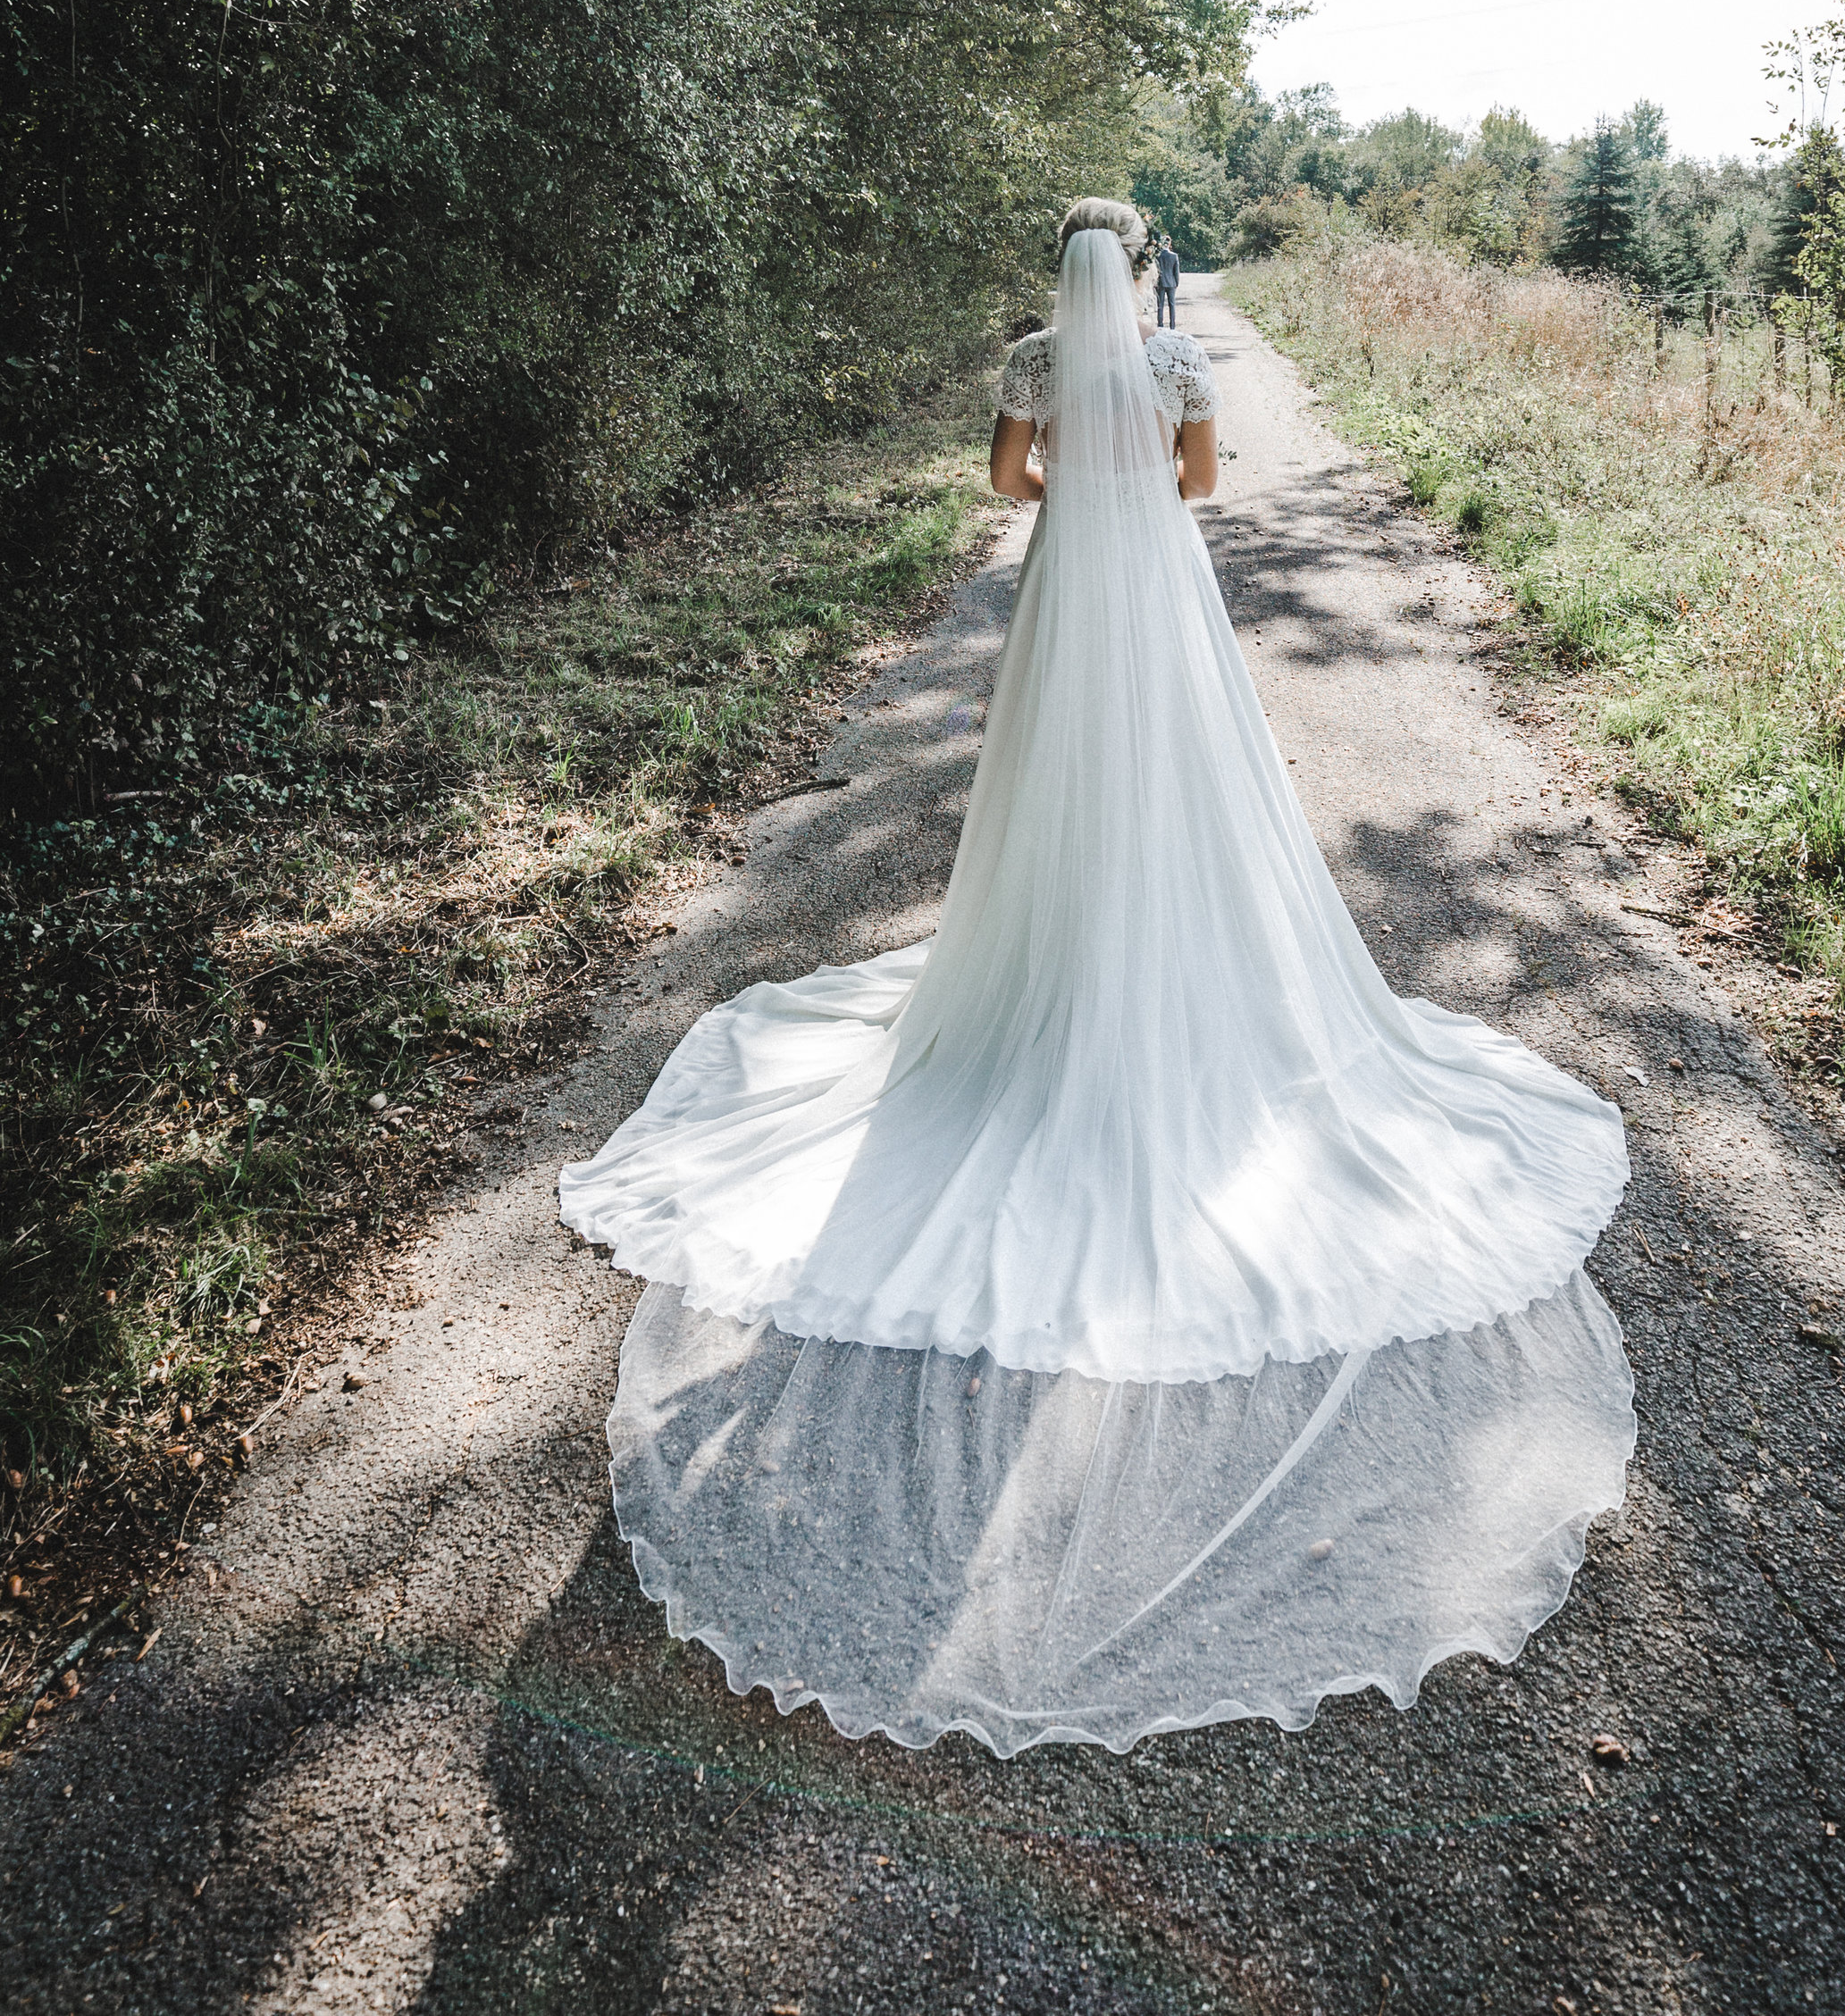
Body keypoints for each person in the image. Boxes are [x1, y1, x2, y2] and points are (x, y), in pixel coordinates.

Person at [560, 196, 1631, 1756]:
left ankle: (1048, 964)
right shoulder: (1179, 362)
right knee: (1187, 789)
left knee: (1057, 790)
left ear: (1056, 271)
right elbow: (1196, 490)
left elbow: (1010, 487)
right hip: (1160, 595)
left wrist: (1072, 464)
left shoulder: (1027, 361)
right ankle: (1172, 961)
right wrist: (1137, 459)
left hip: (1069, 587)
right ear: (1138, 272)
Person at [1153, 230, 1182, 326]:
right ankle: (1172, 325)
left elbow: (1155, 270)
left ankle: (1160, 324)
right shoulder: (1174, 256)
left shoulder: (1158, 256)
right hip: (1171, 283)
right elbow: (1176, 272)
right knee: (1172, 305)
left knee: (1160, 305)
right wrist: (1176, 283)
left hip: (1160, 283)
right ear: (1169, 244)